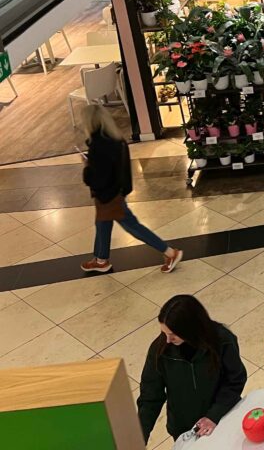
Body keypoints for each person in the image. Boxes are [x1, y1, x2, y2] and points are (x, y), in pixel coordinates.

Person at [79, 105, 183, 274]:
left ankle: (170, 253)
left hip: (108, 195)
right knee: (102, 223)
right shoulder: (116, 140)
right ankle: (100, 259)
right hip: (116, 191)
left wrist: (87, 167)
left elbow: (97, 177)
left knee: (132, 226)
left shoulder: (98, 145)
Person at [137, 295, 247, 444]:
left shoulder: (222, 340)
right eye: (164, 333)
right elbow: (150, 397)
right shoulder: (160, 351)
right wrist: (138, 439)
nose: (168, 340)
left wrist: (214, 415)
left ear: (190, 328)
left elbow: (235, 380)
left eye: (173, 334)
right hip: (184, 428)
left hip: (223, 416)